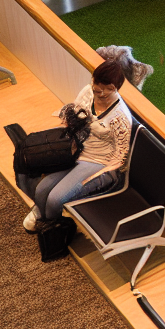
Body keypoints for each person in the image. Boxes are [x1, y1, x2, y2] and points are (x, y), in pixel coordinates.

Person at [19, 59, 134, 239]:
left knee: (56, 198)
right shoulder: (88, 92)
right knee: (41, 189)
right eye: (97, 86)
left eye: (107, 88)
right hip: (76, 150)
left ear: (116, 88)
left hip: (99, 163)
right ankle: (45, 217)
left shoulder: (121, 118)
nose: (100, 92)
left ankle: (52, 226)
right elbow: (72, 114)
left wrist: (95, 177)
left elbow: (121, 157)